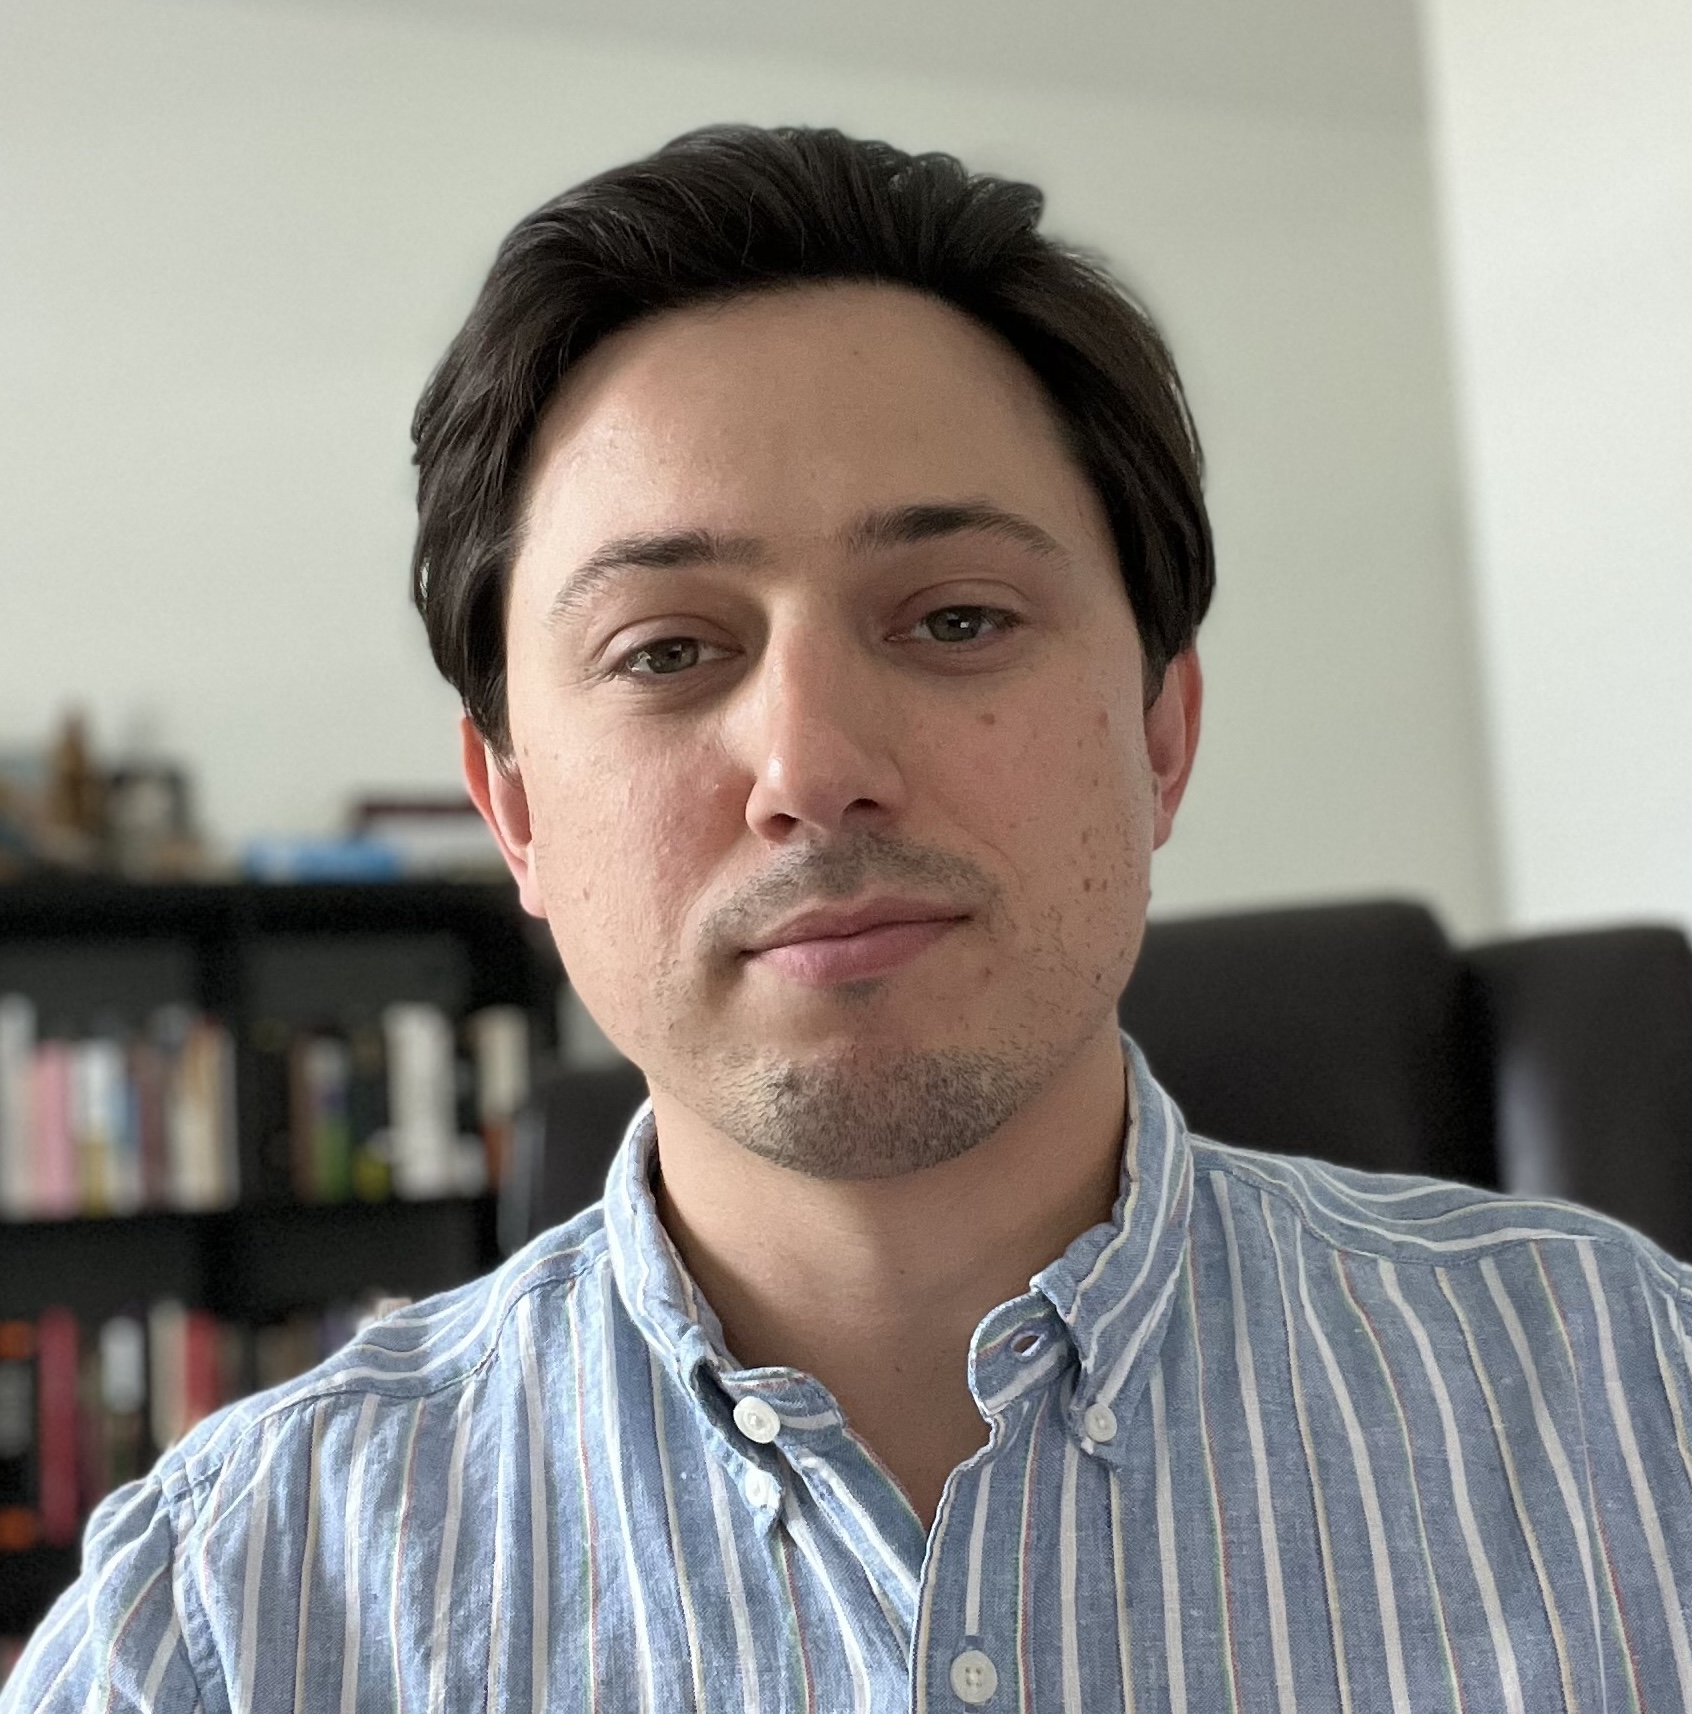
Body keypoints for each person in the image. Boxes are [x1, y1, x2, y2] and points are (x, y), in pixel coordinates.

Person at [7, 123, 1692, 1714]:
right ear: (513, 811)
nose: (812, 768)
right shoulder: (227, 1617)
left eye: (955, 618)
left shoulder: (1643, 1414)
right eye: (669, 650)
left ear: (1163, 734)